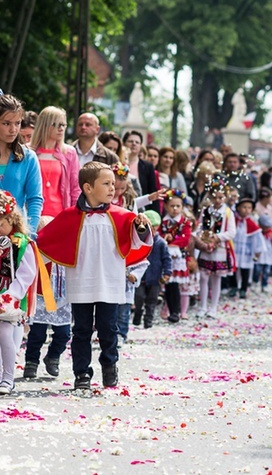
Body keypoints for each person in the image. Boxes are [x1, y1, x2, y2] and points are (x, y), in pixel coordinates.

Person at [37, 162, 153, 390]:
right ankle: (82, 374)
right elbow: (46, 240)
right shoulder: (69, 216)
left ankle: (110, 367)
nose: (113, 188)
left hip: (109, 281)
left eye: (113, 183)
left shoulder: (123, 216)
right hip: (81, 281)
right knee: (81, 330)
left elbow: (139, 240)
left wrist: (141, 227)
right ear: (88, 188)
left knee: (108, 328)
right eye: (107, 183)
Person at [0, 188, 42, 395]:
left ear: (12, 220)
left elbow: (27, 272)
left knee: (5, 334)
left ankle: (9, 378)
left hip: (9, 295)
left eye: (1, 224)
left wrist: (13, 294)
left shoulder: (21, 243)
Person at [0, 95, 43, 233]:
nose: (13, 130)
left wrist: (29, 233)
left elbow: (35, 199)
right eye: (6, 123)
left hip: (17, 235)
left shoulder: (29, 157)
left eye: (17, 123)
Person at [23, 216, 71, 379]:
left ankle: (53, 356)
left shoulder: (66, 248)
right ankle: (31, 361)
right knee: (37, 334)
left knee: (64, 333)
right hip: (42, 297)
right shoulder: (35, 249)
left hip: (62, 298)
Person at [194, 174, 236, 316]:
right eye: (215, 197)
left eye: (220, 197)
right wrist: (201, 236)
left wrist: (217, 237)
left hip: (220, 249)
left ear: (225, 197)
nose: (217, 200)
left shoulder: (228, 213)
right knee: (204, 277)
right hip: (206, 248)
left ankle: (214, 307)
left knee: (216, 278)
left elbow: (231, 232)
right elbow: (199, 227)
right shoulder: (206, 211)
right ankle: (203, 306)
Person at [31, 106, 80, 218]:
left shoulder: (69, 152)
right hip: (33, 214)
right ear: (44, 125)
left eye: (63, 125)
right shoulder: (28, 152)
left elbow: (75, 188)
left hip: (60, 214)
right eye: (55, 124)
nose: (61, 128)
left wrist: (74, 215)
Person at [133, 211, 171, 329]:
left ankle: (148, 320)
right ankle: (138, 312)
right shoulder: (139, 241)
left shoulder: (160, 243)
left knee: (152, 300)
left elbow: (166, 259)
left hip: (155, 277)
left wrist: (167, 272)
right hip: (141, 276)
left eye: (154, 228)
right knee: (139, 297)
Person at [159, 189, 191, 323]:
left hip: (178, 257)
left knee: (175, 285)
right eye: (172, 206)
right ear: (166, 206)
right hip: (166, 256)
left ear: (182, 207)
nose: (175, 209)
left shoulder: (185, 222)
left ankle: (176, 312)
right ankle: (171, 310)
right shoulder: (163, 222)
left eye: (178, 206)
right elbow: (158, 235)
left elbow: (186, 238)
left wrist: (172, 242)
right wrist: (164, 239)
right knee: (168, 284)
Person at [232, 196, 264, 299]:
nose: (246, 210)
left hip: (246, 250)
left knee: (245, 270)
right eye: (244, 207)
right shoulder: (234, 221)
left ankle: (243, 289)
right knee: (233, 268)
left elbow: (257, 237)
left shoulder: (252, 223)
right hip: (235, 248)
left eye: (249, 208)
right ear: (238, 208)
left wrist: (257, 251)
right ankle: (233, 286)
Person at [123, 130, 157, 206]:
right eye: (130, 141)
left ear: (141, 145)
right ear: (124, 143)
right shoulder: (117, 164)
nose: (134, 144)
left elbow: (152, 191)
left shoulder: (148, 166)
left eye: (137, 142)